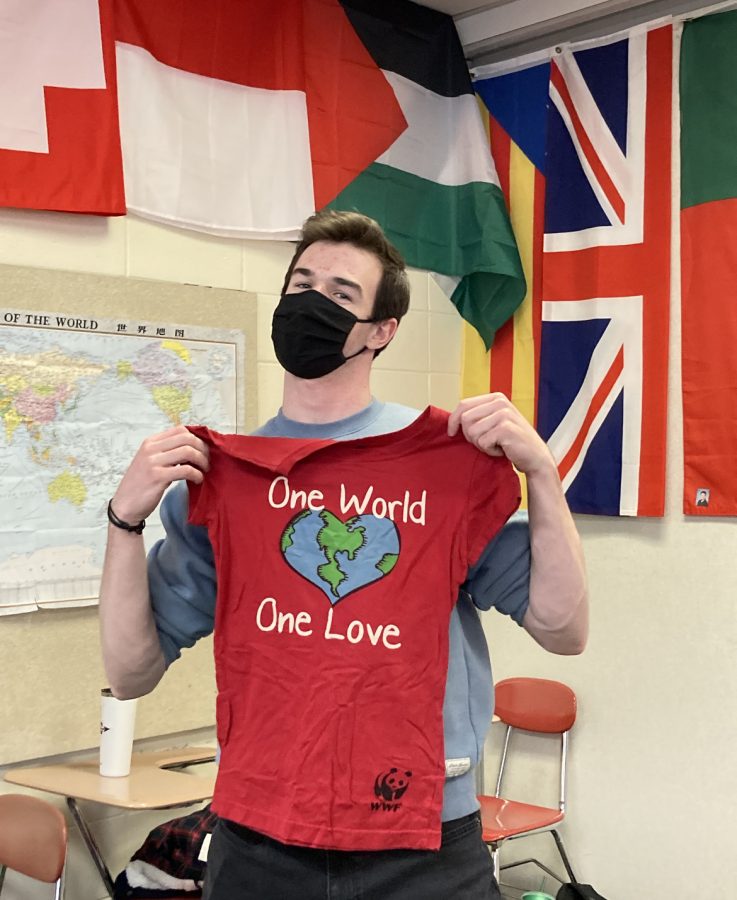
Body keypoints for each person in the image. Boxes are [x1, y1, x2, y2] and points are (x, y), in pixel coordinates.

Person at [100, 210, 588, 900]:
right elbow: (129, 674)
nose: (309, 304)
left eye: (339, 294)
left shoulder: (442, 467)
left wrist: (540, 475)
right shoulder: (221, 481)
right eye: (299, 284)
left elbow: (563, 630)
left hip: (419, 841)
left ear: (382, 331)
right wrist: (123, 521)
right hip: (258, 837)